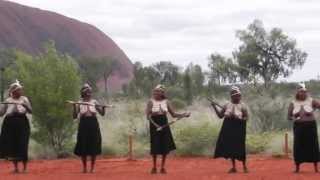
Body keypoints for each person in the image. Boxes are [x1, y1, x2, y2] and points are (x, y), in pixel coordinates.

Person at [145, 84, 190, 174]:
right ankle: (154, 167)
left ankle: (162, 167)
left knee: (164, 145)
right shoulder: (150, 102)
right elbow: (148, 116)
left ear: (162, 93)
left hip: (164, 124)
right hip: (154, 125)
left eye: (158, 92)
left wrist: (184, 114)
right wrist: (156, 125)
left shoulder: (166, 102)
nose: (156, 93)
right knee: (155, 146)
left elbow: (173, 114)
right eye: (155, 91)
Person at [211, 86, 249, 173]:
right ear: (232, 96)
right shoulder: (226, 105)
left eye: (239, 95)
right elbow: (220, 116)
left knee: (240, 147)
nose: (238, 97)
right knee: (231, 147)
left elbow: (246, 118)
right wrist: (214, 107)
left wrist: (238, 118)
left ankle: (244, 166)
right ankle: (234, 167)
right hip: (228, 127)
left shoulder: (243, 106)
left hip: (239, 128)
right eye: (236, 96)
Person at [0, 80, 32, 173]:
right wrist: (3, 107)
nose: (21, 91)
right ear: (13, 91)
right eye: (19, 90)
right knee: (13, 144)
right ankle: (16, 168)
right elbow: (1, 114)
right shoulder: (8, 101)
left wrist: (25, 105)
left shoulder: (24, 99)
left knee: (23, 144)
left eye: (21, 90)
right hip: (10, 123)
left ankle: (25, 168)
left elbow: (30, 111)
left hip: (22, 123)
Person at [72, 83, 106, 173]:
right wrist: (74, 107)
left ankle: (92, 168)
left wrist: (103, 108)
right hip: (83, 125)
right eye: (86, 91)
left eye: (89, 91)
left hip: (93, 124)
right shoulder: (79, 102)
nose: (88, 92)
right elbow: (74, 116)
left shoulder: (94, 102)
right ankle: (84, 168)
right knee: (83, 145)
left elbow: (102, 113)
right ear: (83, 92)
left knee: (93, 145)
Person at [288, 83, 320, 173]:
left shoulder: (311, 100)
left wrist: (313, 110)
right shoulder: (293, 103)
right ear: (297, 93)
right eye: (301, 92)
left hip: (311, 126)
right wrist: (294, 117)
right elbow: (289, 116)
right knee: (298, 146)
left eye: (304, 92)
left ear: (306, 92)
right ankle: (297, 168)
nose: (303, 93)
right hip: (298, 127)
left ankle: (316, 168)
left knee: (313, 145)